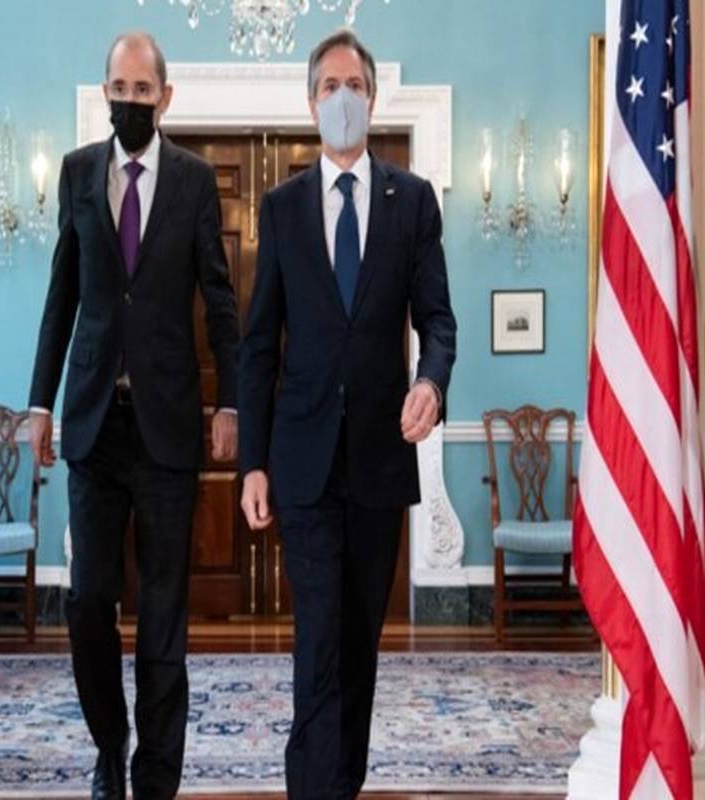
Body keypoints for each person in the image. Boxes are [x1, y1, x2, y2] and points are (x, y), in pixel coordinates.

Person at [238, 29, 457, 799]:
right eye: (328, 86)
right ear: (310, 103)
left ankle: (342, 785)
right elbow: (257, 346)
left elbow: (438, 319)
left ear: (373, 97)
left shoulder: (412, 201)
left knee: (359, 643)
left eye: (354, 85)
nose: (342, 98)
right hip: (301, 464)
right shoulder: (282, 208)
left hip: (378, 461)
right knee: (320, 640)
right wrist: (253, 463)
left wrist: (431, 383)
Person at [27, 31, 239, 800]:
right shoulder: (77, 171)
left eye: (142, 90)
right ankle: (109, 743)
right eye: (119, 89)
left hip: (168, 427)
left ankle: (155, 778)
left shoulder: (193, 181)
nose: (129, 101)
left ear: (164, 97)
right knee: (88, 600)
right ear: (105, 92)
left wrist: (232, 400)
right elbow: (63, 293)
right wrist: (39, 400)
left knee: (163, 613)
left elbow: (218, 296)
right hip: (93, 422)